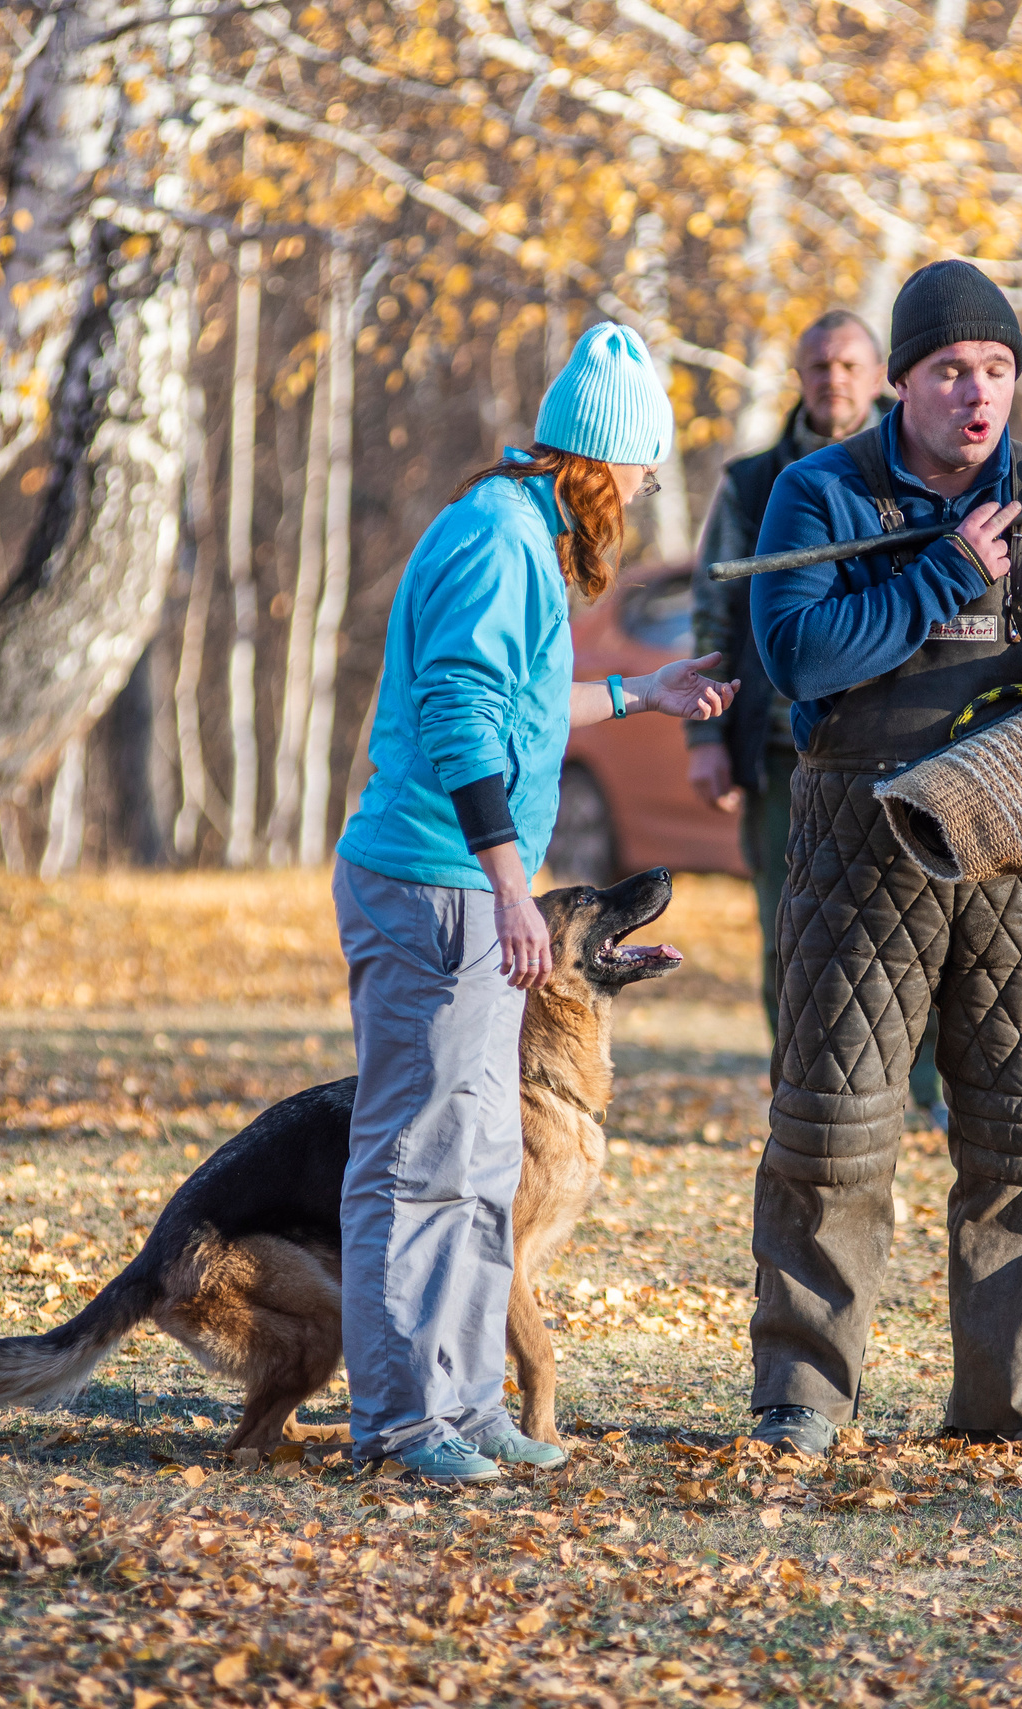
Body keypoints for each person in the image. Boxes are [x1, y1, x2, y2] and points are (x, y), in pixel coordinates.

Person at [742, 260, 1022, 1462]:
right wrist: (949, 570)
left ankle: (1018, 1396)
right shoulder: (818, 492)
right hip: (858, 841)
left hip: (1019, 846)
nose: (977, 393)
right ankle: (803, 1395)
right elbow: (801, 656)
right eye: (952, 370)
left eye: (997, 370)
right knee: (832, 1130)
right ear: (901, 381)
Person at [331, 323, 737, 1483]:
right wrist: (512, 885)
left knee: (479, 1154)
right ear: (602, 460)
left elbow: (524, 702)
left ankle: (467, 1404)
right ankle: (402, 1422)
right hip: (433, 882)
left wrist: (643, 691)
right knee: (419, 1156)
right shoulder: (496, 539)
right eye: (644, 470)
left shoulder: (521, 532)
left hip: (462, 883)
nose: (646, 494)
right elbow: (461, 716)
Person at [687, 312, 942, 1120]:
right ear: (799, 377)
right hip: (779, 750)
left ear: (880, 378)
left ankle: (924, 1097)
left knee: (918, 923)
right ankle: (797, 1093)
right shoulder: (750, 482)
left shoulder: (922, 466)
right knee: (788, 931)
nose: (834, 379)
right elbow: (715, 611)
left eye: (849, 365)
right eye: (819, 365)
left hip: (902, 742)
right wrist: (705, 736)